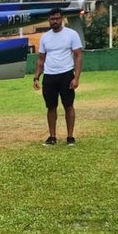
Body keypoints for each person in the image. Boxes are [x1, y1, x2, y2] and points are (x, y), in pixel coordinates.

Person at [33, 8, 83, 146]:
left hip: (66, 74)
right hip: (49, 76)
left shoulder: (71, 34)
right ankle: (52, 136)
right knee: (51, 107)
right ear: (49, 20)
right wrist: (36, 77)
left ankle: (70, 137)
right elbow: (41, 59)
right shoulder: (45, 37)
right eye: (52, 19)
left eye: (57, 18)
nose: (54, 21)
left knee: (68, 106)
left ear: (62, 19)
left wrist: (76, 78)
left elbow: (78, 56)